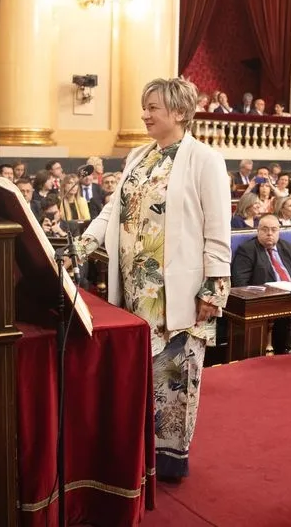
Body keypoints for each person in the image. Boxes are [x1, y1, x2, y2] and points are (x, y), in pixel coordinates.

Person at [74, 77, 230, 482]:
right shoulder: (138, 156)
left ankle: (170, 460)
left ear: (179, 112)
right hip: (134, 287)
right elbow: (113, 210)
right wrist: (84, 243)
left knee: (175, 375)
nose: (144, 115)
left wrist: (215, 289)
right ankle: (138, 452)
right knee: (138, 375)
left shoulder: (204, 159)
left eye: (153, 108)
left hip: (178, 292)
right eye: (144, 106)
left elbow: (218, 229)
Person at [232, 214, 291, 286]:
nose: (269, 233)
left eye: (274, 230)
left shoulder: (288, 247)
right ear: (258, 231)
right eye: (264, 230)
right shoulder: (247, 250)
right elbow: (240, 283)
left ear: (279, 231)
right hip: (267, 294)